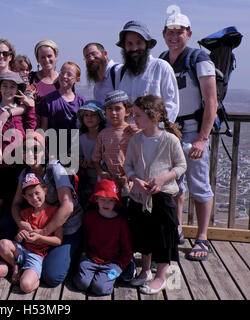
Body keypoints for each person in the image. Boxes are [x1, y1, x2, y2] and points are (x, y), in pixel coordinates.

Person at [161, 12, 218, 261]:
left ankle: (202, 237)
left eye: (179, 31)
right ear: (164, 35)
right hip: (170, 131)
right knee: (175, 186)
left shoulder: (200, 58)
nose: (174, 36)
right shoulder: (162, 59)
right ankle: (177, 229)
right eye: (170, 32)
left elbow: (211, 101)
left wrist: (203, 139)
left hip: (194, 130)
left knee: (199, 185)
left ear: (189, 34)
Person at [124, 94, 186, 295]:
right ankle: (145, 271)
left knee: (163, 237)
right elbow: (128, 166)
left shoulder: (169, 140)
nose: (134, 119)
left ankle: (161, 276)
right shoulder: (136, 140)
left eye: (138, 115)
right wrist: (136, 180)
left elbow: (181, 165)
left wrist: (162, 179)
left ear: (153, 116)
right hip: (140, 197)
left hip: (164, 197)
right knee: (144, 234)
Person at [11, 131, 84, 287]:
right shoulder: (25, 172)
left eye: (35, 149)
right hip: (40, 224)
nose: (30, 153)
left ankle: (74, 254)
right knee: (6, 226)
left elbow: (68, 205)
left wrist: (44, 232)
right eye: (25, 149)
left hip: (65, 228)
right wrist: (20, 223)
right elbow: (16, 204)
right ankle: (34, 260)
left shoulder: (55, 169)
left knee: (52, 277)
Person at [0, 72, 36, 242]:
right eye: (5, 86)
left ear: (18, 90)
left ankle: (19, 237)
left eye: (12, 86)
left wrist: (31, 108)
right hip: (2, 164)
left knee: (19, 200)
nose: (8, 89)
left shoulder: (22, 111)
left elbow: (31, 126)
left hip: (20, 162)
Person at [0, 173, 63, 293]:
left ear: (45, 191)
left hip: (37, 256)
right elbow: (18, 239)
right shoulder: (25, 212)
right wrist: (19, 235)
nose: (34, 198)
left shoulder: (54, 212)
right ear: (25, 198)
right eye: (30, 195)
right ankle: (15, 266)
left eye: (37, 193)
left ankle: (35, 277)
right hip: (22, 250)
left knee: (25, 286)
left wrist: (40, 238)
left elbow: (58, 240)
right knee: (2, 244)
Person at [72, 179, 132, 296]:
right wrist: (84, 253)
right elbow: (85, 236)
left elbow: (127, 249)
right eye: (102, 200)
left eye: (110, 200)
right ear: (96, 200)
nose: (106, 203)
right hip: (90, 259)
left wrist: (121, 265)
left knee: (100, 288)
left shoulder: (121, 223)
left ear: (116, 202)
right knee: (81, 283)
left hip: (113, 263)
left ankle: (112, 277)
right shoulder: (89, 217)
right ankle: (94, 277)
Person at [113, 20, 179, 123]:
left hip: (155, 136)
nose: (134, 48)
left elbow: (171, 105)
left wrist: (156, 130)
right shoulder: (121, 73)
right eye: (129, 44)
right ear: (124, 47)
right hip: (127, 136)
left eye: (139, 43)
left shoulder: (161, 67)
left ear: (147, 44)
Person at [92, 90, 135, 196]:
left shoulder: (132, 133)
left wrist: (128, 176)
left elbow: (138, 159)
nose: (113, 113)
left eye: (118, 109)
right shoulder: (103, 134)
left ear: (128, 111)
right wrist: (101, 172)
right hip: (108, 182)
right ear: (105, 111)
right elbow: (96, 158)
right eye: (109, 109)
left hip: (129, 182)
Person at [38, 61, 85, 153]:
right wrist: (43, 146)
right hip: (54, 150)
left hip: (76, 151)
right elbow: (44, 127)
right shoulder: (48, 100)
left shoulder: (81, 101)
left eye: (69, 74)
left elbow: (84, 128)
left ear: (77, 80)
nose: (64, 76)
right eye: (62, 72)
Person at [75, 100, 107, 210]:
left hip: (103, 178)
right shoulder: (81, 138)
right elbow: (75, 155)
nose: (89, 118)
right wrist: (81, 162)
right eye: (86, 115)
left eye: (93, 115)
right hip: (86, 179)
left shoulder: (105, 136)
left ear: (101, 117)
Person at [30, 40, 60, 106]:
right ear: (37, 59)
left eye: (49, 56)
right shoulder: (30, 78)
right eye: (43, 57)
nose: (46, 60)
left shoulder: (64, 78)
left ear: (56, 56)